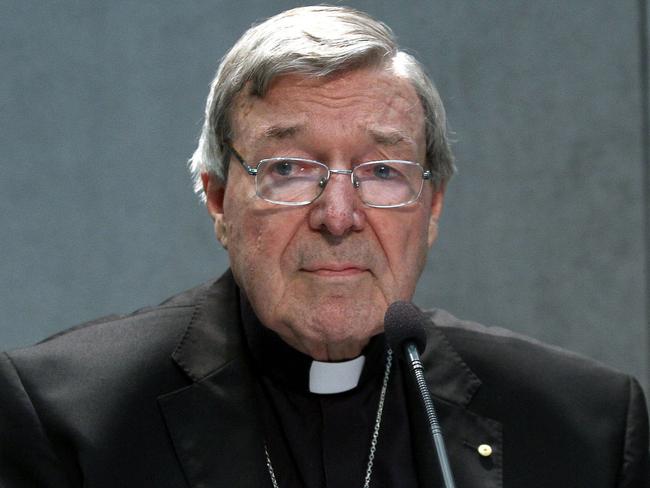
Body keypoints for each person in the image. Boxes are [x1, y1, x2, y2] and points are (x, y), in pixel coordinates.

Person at [0, 5, 648, 487]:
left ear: (433, 208)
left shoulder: (584, 429)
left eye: (384, 172)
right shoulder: (68, 420)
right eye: (289, 169)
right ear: (220, 199)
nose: (339, 217)